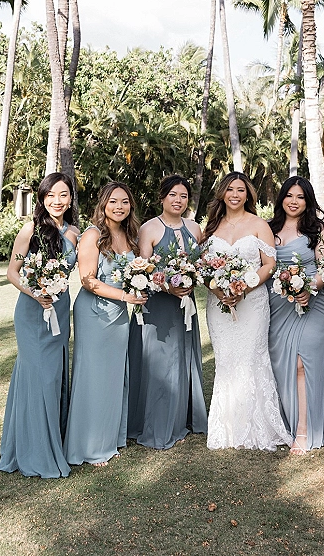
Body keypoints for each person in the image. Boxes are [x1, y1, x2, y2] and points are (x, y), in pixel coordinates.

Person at [0, 173, 79, 478]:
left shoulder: (74, 233)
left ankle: (53, 440)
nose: (57, 202)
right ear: (42, 199)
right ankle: (34, 450)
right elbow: (12, 272)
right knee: (38, 377)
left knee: (54, 375)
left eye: (63, 195)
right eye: (50, 196)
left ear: (70, 198)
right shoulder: (30, 230)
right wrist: (36, 293)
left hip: (59, 311)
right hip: (32, 313)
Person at [202, 171, 291, 451]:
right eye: (230, 190)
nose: (235, 195)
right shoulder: (212, 226)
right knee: (226, 359)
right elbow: (203, 267)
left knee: (252, 356)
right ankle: (226, 427)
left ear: (248, 195)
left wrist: (243, 287)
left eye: (241, 190)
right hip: (219, 305)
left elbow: (269, 265)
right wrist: (218, 289)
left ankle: (259, 426)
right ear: (222, 194)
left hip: (252, 302)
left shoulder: (258, 225)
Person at [64, 182, 145, 467]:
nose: (119, 207)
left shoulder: (129, 236)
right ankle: (89, 446)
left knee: (113, 377)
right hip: (94, 313)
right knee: (93, 377)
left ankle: (109, 437)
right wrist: (127, 295)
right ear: (103, 204)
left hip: (119, 315)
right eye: (113, 201)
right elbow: (88, 281)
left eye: (125, 202)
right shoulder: (92, 235)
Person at [127, 174, 207, 449]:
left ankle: (182, 419)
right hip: (157, 308)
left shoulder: (195, 229)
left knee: (182, 359)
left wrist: (189, 280)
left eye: (183, 196)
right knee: (160, 364)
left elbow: (202, 265)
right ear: (162, 197)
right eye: (173, 195)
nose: (178, 200)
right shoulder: (149, 228)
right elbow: (142, 270)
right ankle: (157, 425)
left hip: (185, 305)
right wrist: (167, 286)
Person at [268, 176, 324, 455]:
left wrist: (309, 288)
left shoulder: (318, 230)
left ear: (308, 201)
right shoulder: (269, 229)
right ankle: (285, 421)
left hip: (314, 304)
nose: (294, 201)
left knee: (302, 363)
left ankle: (304, 429)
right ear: (282, 198)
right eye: (289, 195)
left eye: (300, 197)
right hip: (279, 305)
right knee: (282, 363)